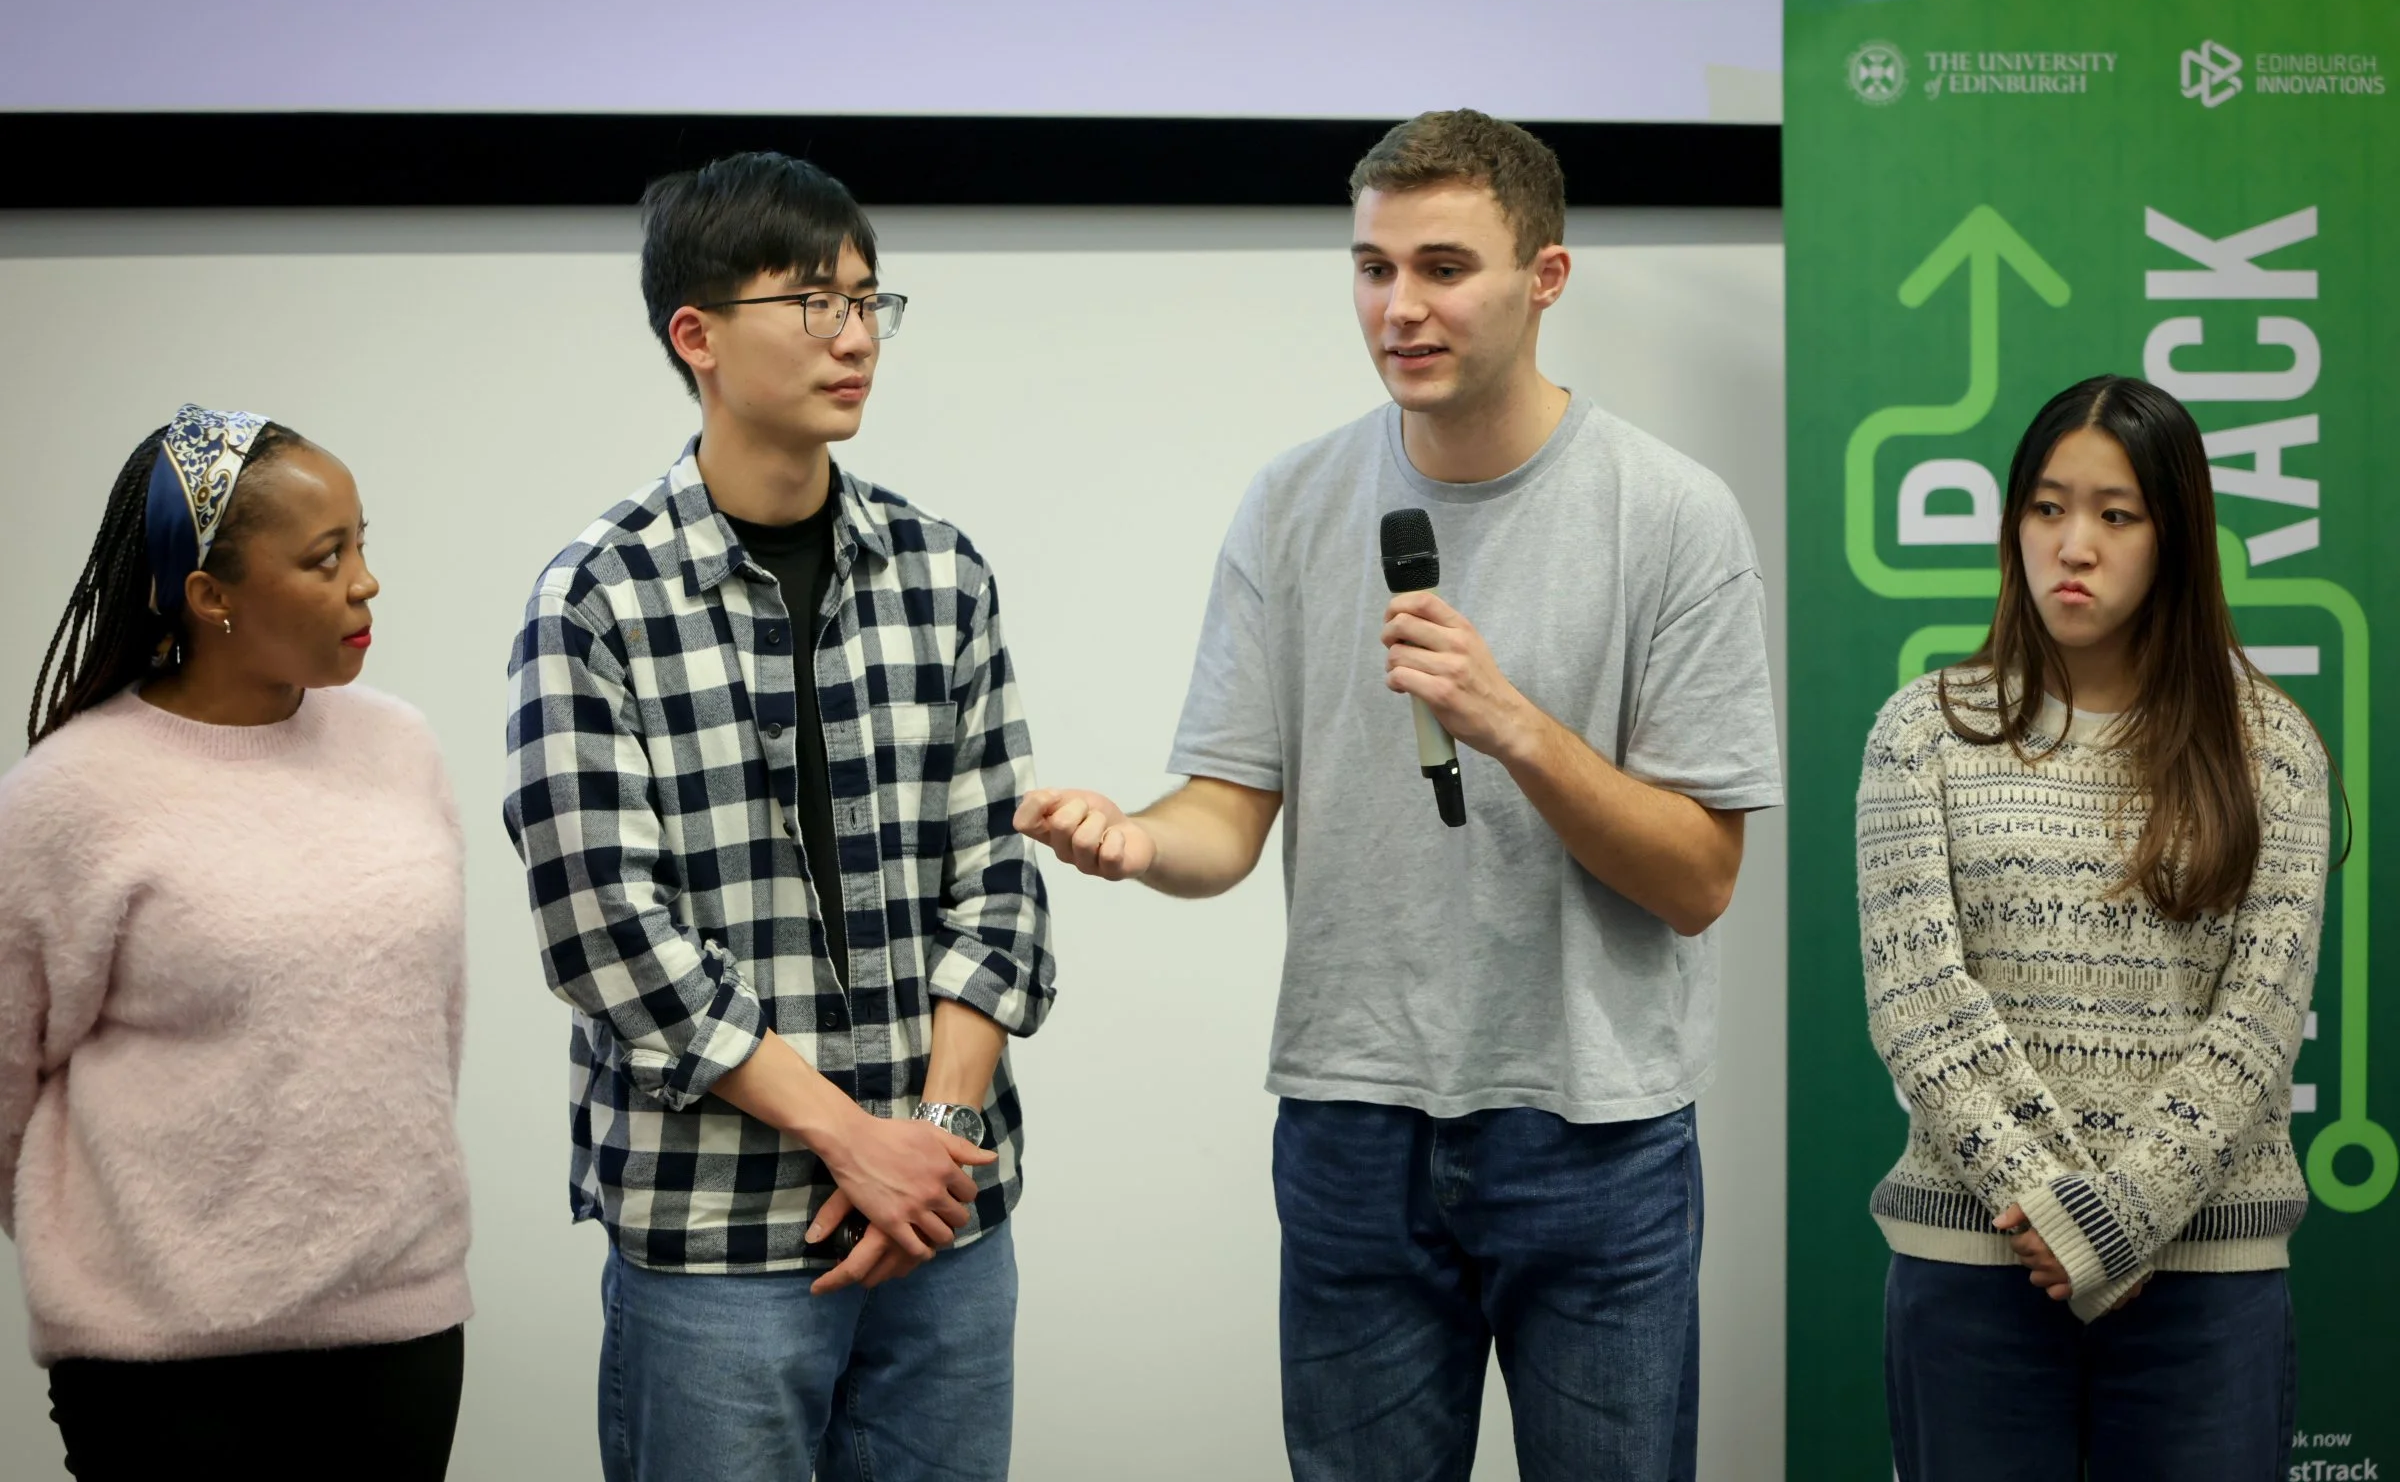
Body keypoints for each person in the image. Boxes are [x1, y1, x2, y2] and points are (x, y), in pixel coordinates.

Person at [1016, 108, 1783, 1480]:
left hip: (1594, 1132)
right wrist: (1136, 840)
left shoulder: (1669, 514)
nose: (1399, 307)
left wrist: (1514, 727)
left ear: (1545, 278)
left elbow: (1698, 878)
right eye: (1373, 268)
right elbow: (1224, 817)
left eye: (1443, 267)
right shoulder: (1292, 503)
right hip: (1352, 1120)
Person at [502, 151, 1055, 1482]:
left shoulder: (941, 573)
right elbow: (605, 931)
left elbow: (1000, 881)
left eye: (868, 302)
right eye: (813, 303)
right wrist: (852, 1142)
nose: (855, 337)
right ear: (696, 335)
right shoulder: (597, 598)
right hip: (721, 1239)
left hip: (943, 1228)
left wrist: (937, 1141)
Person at [1859, 375, 2332, 1481]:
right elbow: (1918, 1002)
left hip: (2206, 1289)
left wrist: (2119, 1218)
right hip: (1974, 1267)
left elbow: (2260, 1021)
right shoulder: (1924, 732)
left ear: (2175, 536)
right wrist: (2053, 1206)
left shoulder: (2272, 747)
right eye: (2047, 507)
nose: (2073, 545)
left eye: (2116, 515)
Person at [0, 406, 473, 1479]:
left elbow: (424, 1022)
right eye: (324, 557)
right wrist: (125, 1255)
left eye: (361, 543)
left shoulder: (399, 748)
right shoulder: (70, 797)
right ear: (211, 596)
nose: (366, 582)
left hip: (399, 1327)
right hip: (162, 1361)